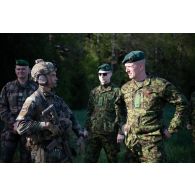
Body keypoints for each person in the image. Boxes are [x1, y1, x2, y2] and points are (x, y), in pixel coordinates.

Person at [117, 50, 188, 162]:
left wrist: (172, 129)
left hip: (152, 147)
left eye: (129, 66)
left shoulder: (159, 85)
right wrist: (122, 126)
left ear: (140, 66)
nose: (126, 70)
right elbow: (118, 107)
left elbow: (182, 103)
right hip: (131, 146)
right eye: (125, 67)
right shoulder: (125, 88)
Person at [16, 59, 84, 163]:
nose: (56, 78)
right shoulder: (33, 100)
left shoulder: (57, 99)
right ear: (42, 78)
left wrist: (80, 134)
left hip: (61, 149)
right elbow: (20, 126)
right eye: (53, 75)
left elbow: (71, 116)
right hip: (42, 152)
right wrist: (45, 125)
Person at [84, 64, 123, 162]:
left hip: (110, 134)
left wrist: (120, 132)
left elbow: (121, 113)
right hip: (94, 133)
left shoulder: (117, 91)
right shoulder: (94, 92)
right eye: (99, 74)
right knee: (89, 160)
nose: (102, 76)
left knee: (112, 160)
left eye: (104, 74)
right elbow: (89, 111)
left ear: (110, 74)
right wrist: (86, 128)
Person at [0, 59, 37, 162]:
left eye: (23, 69)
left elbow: (39, 108)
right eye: (18, 69)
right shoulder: (8, 87)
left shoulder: (35, 88)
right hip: (10, 130)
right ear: (15, 70)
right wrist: (14, 123)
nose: (20, 71)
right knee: (5, 159)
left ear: (29, 70)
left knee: (27, 161)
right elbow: (2, 108)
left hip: (28, 131)